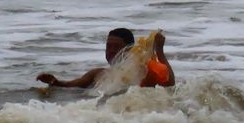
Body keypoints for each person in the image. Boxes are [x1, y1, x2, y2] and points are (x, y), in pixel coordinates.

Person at [36, 27, 175, 88]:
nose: (111, 51)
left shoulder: (141, 72)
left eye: (116, 47)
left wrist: (159, 51)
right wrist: (55, 82)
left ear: (129, 49)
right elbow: (71, 85)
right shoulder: (98, 74)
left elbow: (169, 84)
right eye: (108, 46)